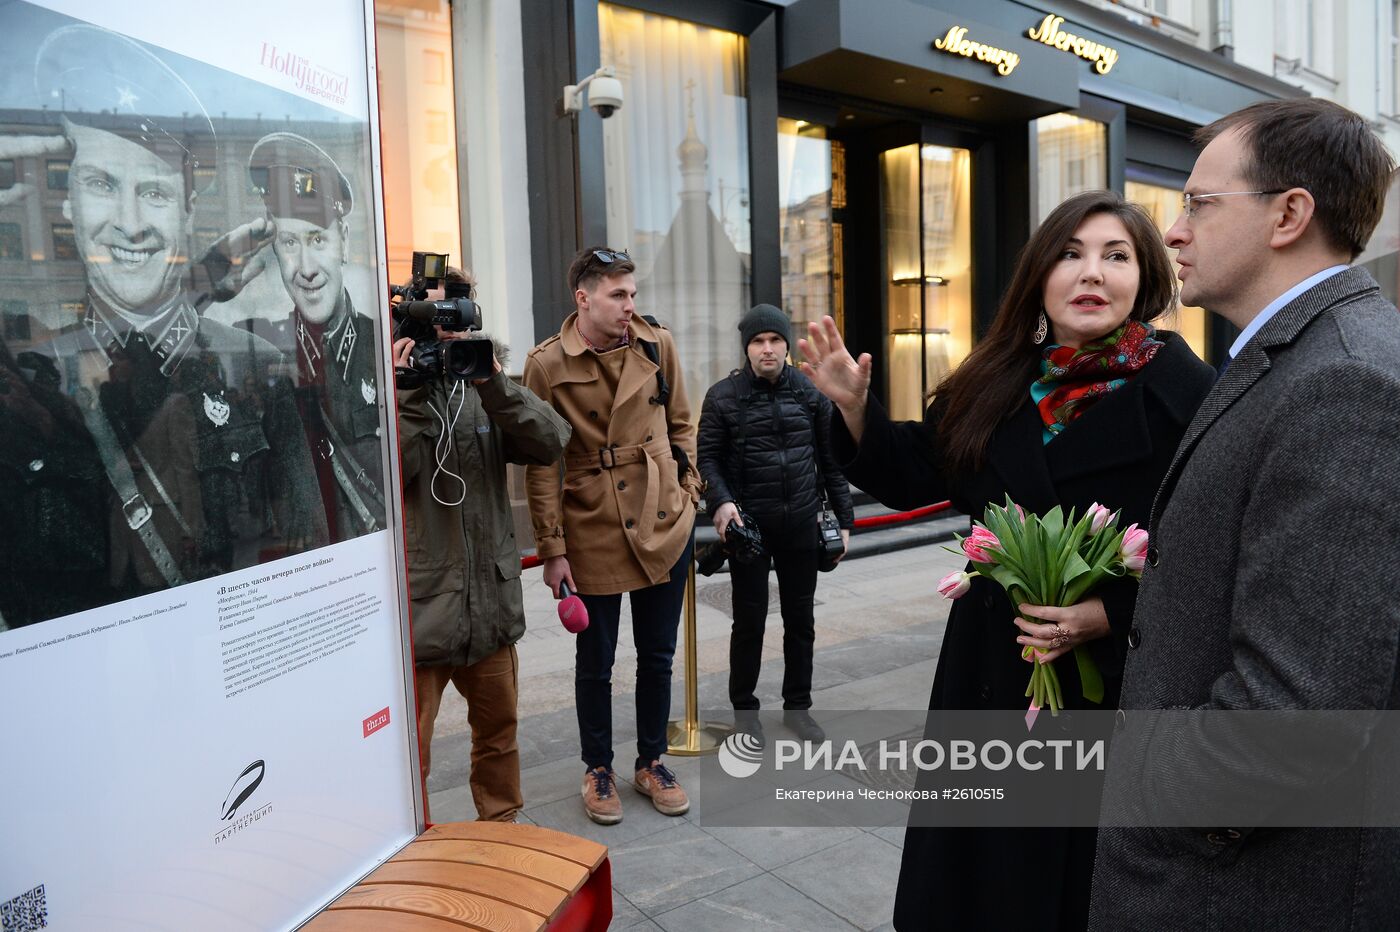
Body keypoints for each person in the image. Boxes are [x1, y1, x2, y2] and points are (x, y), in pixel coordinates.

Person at [799, 190, 1216, 930]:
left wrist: (1110, 614)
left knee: (1072, 888)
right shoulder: (998, 377)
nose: (1092, 273)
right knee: (979, 887)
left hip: (1110, 688)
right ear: (1040, 276)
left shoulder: (1192, 396)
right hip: (989, 668)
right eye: (1070, 253)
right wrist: (855, 410)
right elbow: (923, 471)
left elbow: (1214, 555)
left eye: (1115, 256)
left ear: (1146, 277)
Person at [1088, 101, 1400, 930]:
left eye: (1198, 202)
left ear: (1289, 214)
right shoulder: (1302, 354)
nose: (1173, 230)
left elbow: (1297, 710)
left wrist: (1143, 786)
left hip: (1238, 887)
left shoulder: (1347, 380)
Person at [3, 25, 325, 627]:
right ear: (68, 201)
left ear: (186, 213)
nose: (128, 224)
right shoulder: (31, 378)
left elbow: (307, 553)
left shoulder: (255, 367)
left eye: (153, 193)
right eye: (101, 184)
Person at [522, 247, 703, 825]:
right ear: (584, 298)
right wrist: (551, 549)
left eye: (632, 294)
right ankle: (597, 767)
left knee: (657, 655)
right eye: (617, 295)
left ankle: (651, 760)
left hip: (660, 518)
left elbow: (682, 425)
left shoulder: (657, 345)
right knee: (595, 660)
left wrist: (689, 494)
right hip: (591, 526)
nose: (630, 306)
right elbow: (540, 463)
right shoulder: (546, 365)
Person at [394, 267, 570, 823]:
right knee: (406, 755)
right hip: (425, 612)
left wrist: (492, 380)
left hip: (490, 611)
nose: (446, 330)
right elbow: (394, 476)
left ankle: (503, 834)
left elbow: (551, 440)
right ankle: (408, 845)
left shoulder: (484, 384)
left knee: (499, 738)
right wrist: (410, 396)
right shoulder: (392, 392)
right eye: (435, 318)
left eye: (456, 315)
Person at [697, 303, 854, 745]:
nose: (767, 349)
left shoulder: (810, 392)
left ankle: (798, 709)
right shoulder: (722, 397)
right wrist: (721, 503)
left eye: (775, 340)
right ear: (746, 347)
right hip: (750, 530)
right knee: (748, 622)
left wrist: (843, 521)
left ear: (787, 345)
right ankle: (745, 713)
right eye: (758, 341)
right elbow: (707, 459)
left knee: (800, 621)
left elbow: (832, 460)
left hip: (802, 524)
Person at [237, 132, 387, 542]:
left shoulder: (385, 350)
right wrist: (208, 281)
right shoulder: (254, 348)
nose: (306, 268)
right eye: (289, 243)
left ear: (345, 243)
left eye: (317, 239)